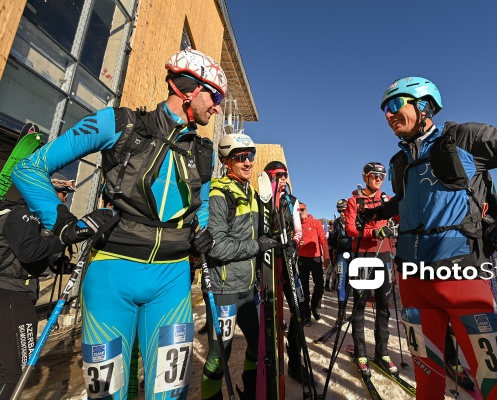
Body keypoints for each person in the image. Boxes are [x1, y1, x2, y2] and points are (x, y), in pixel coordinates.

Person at [12, 48, 222, 399]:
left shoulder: (202, 151)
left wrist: (205, 233)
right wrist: (65, 224)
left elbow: (197, 207)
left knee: (170, 394)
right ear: (189, 88)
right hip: (112, 276)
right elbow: (29, 169)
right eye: (215, 96)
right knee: (107, 395)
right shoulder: (118, 123)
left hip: (172, 282)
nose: (217, 107)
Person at [362, 76, 497, 399]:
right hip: (413, 282)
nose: (388, 115)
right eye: (384, 110)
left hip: (460, 276)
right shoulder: (399, 160)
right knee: (427, 379)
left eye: (394, 105)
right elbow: (404, 201)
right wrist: (374, 213)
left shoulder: (466, 137)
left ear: (423, 105)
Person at [201, 133, 277, 400]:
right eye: (240, 157)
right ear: (226, 161)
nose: (248, 163)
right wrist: (259, 246)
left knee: (258, 344)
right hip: (223, 288)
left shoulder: (254, 195)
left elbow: (261, 236)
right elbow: (217, 246)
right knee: (219, 354)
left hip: (247, 288)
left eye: (251, 156)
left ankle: (250, 390)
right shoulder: (218, 192)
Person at [0, 174, 74, 400]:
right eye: (62, 194)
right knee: (18, 368)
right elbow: (27, 251)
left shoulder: (30, 217)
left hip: (14, 292)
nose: (63, 201)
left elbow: (26, 256)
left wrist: (57, 263)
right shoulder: (25, 214)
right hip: (12, 294)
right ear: (46, 192)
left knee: (8, 365)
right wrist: (65, 238)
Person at [344, 162, 397, 378]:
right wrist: (375, 231)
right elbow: (350, 228)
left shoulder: (387, 200)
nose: (379, 178)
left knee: (384, 306)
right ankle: (361, 353)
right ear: (365, 177)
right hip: (364, 256)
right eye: (375, 175)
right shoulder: (354, 200)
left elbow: (402, 219)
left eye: (382, 175)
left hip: (384, 255)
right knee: (360, 305)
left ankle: (382, 353)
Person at [260, 160, 311, 385]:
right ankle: (267, 363)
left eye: (285, 175)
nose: (283, 179)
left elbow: (298, 229)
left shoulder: (291, 201)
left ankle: (294, 362)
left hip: (288, 258)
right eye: (278, 175)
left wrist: (293, 242)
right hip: (267, 260)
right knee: (269, 311)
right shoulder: (261, 197)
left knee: (299, 310)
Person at [297, 203, 330, 326]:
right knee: (304, 289)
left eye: (302, 210)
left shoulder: (315, 222)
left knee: (320, 286)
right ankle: (306, 315)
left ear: (306, 209)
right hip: (302, 259)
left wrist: (326, 257)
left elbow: (323, 239)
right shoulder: (296, 225)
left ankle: (314, 306)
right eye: (298, 210)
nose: (301, 212)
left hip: (315, 259)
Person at [331, 199, 353, 314]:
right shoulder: (337, 222)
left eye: (344, 211)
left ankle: (357, 310)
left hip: (354, 252)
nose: (342, 214)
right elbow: (334, 239)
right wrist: (334, 254)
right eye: (339, 211)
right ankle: (341, 312)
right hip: (341, 252)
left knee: (355, 281)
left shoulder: (355, 219)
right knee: (340, 280)